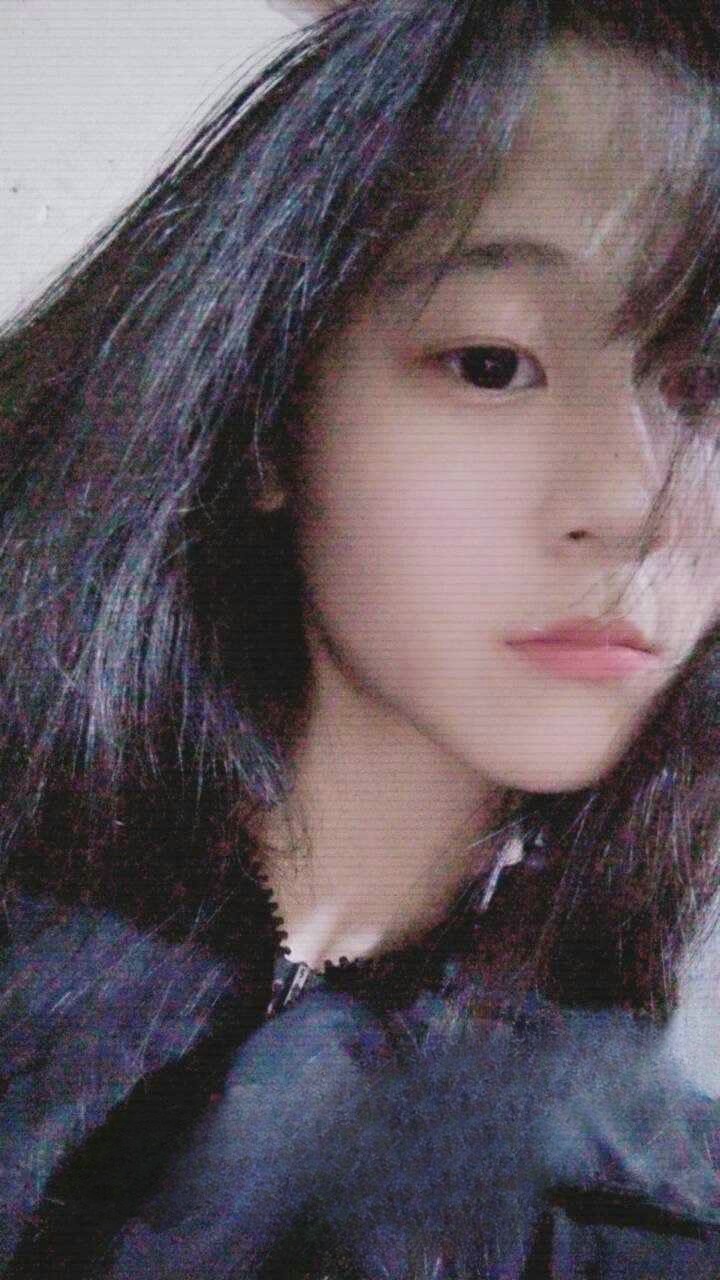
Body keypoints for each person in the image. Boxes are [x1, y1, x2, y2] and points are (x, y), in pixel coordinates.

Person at [0, 0, 720, 1275]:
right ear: (270, 415)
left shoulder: (643, 1217)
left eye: (706, 388)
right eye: (493, 364)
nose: (630, 503)